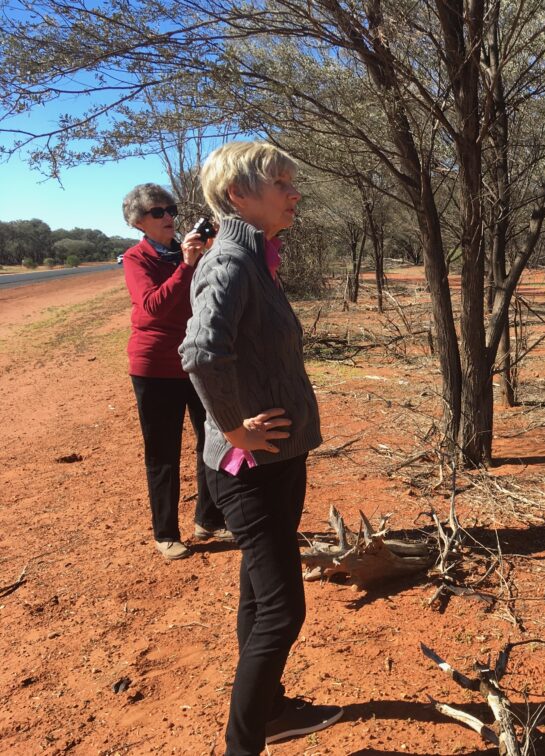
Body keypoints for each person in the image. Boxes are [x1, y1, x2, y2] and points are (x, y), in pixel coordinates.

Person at [180, 141, 342, 753]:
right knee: (282, 611)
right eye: (281, 182)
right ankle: (242, 744)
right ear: (237, 195)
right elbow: (199, 353)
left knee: (258, 588)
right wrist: (235, 428)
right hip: (250, 468)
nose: (294, 192)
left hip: (278, 460)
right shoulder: (228, 263)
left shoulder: (257, 260)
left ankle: (269, 709)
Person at [122, 183, 231, 560]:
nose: (169, 216)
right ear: (138, 221)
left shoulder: (188, 252)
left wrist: (211, 252)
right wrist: (185, 265)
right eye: (158, 212)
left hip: (198, 360)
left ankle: (209, 518)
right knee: (163, 452)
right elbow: (153, 306)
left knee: (213, 441)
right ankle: (166, 532)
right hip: (155, 367)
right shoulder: (137, 259)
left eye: (170, 209)